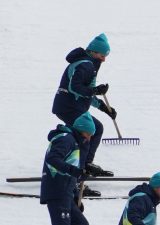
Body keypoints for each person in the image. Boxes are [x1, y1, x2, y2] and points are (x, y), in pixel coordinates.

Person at [51, 34, 118, 190]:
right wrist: (95, 90)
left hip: (73, 108)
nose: (104, 60)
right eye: (102, 55)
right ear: (93, 51)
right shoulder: (85, 65)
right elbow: (76, 88)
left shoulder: (89, 64)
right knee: (84, 136)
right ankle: (77, 178)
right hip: (68, 108)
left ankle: (86, 164)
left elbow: (86, 93)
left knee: (96, 128)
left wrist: (103, 107)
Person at [34, 113, 95, 225]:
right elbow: (53, 159)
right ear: (81, 130)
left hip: (66, 192)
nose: (89, 138)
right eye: (88, 134)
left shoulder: (75, 142)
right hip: (57, 191)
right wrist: (76, 172)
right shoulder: (66, 139)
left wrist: (76, 197)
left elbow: (70, 174)